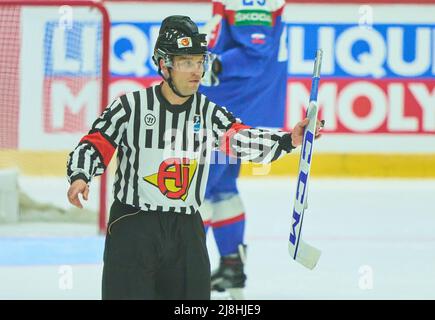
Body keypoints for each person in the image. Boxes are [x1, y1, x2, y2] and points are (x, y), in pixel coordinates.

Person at [66, 15, 322, 300]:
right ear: (165, 65)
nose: (197, 71)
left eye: (200, 62)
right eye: (187, 62)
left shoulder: (209, 113)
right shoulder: (130, 107)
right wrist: (81, 175)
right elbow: (95, 143)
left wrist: (289, 139)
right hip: (133, 228)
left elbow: (240, 139)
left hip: (186, 232)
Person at [199, 0, 288, 299]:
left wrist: (211, 65)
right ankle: (231, 267)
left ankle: (184, 269)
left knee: (195, 188)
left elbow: (256, 53)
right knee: (220, 187)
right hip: (235, 107)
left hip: (227, 111)